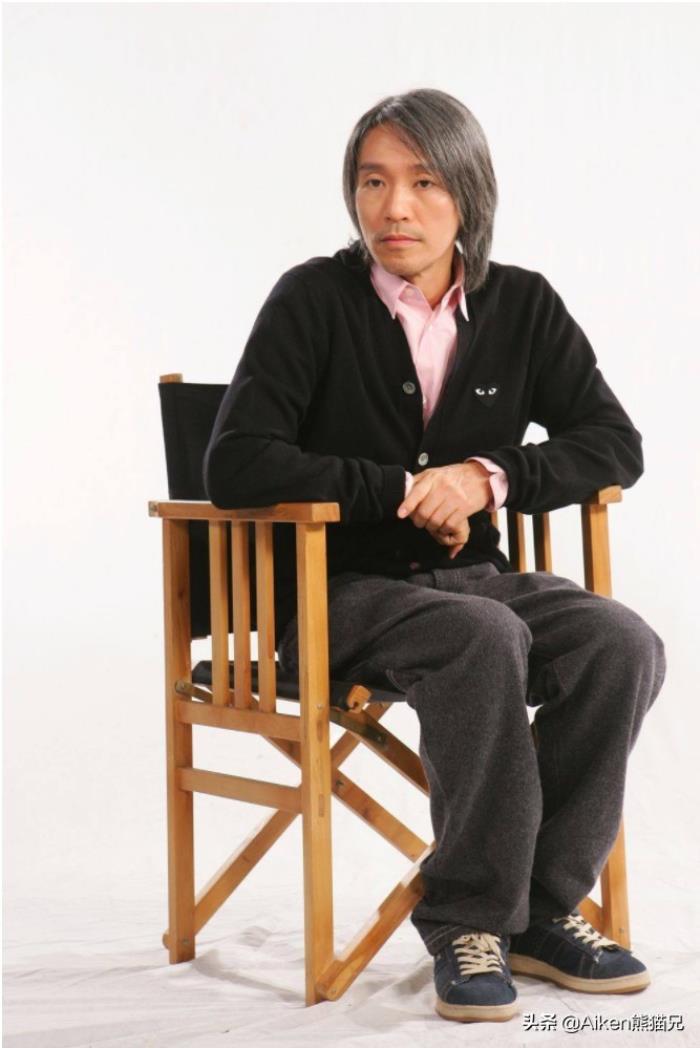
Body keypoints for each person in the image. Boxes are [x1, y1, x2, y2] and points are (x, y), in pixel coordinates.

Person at [203, 88, 666, 1024]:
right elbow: (237, 461)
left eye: (423, 183)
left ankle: (539, 908)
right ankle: (468, 918)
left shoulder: (522, 305)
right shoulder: (312, 299)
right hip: (334, 593)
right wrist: (405, 489)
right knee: (482, 635)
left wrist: (487, 478)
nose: (394, 208)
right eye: (372, 182)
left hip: (472, 584)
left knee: (621, 643)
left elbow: (614, 443)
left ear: (469, 195)